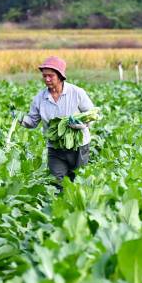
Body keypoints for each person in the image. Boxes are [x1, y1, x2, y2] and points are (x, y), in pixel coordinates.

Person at [21, 56, 95, 189]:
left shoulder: (76, 92)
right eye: (44, 76)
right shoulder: (40, 98)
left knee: (78, 182)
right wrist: (20, 118)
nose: (47, 79)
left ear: (60, 76)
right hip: (55, 148)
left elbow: (91, 114)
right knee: (57, 183)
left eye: (51, 76)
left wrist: (81, 124)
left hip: (78, 146)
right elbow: (32, 121)